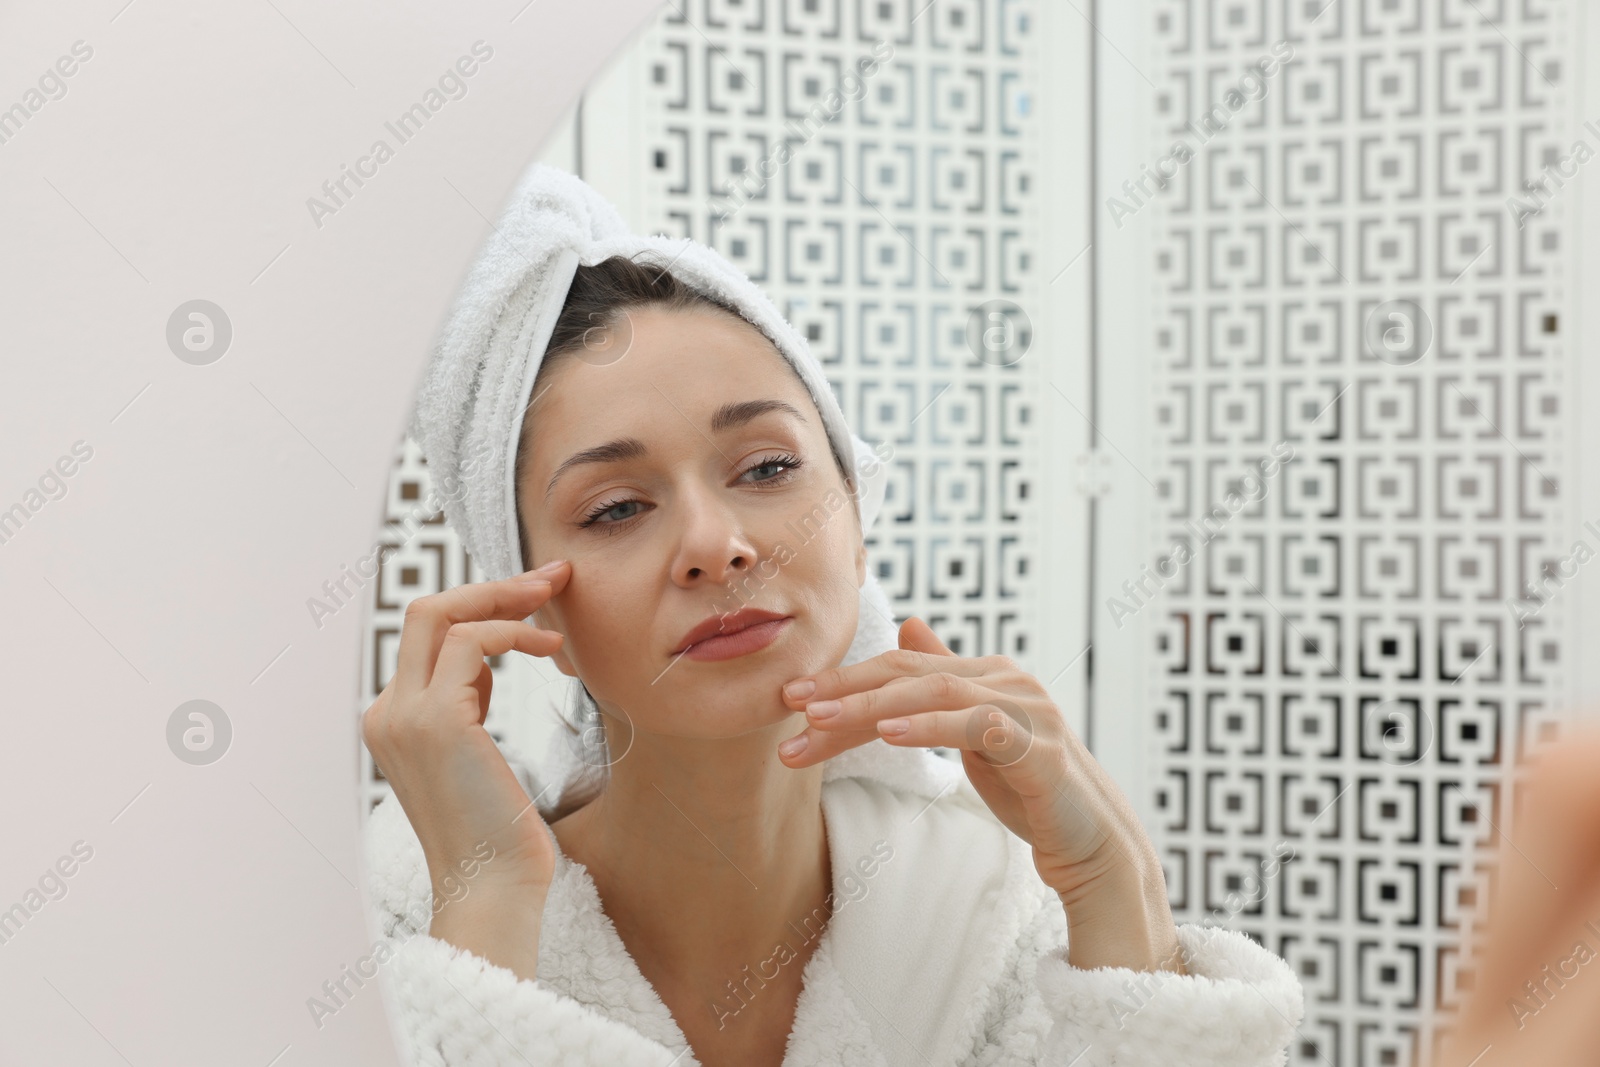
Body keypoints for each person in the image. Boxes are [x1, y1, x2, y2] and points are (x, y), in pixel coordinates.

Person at [359, 164, 1303, 1066]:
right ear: (534, 605)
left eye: (768, 468)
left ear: (857, 521)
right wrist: (486, 909)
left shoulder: (978, 905)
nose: (714, 543)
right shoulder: (395, 917)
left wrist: (1109, 887)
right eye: (616, 508)